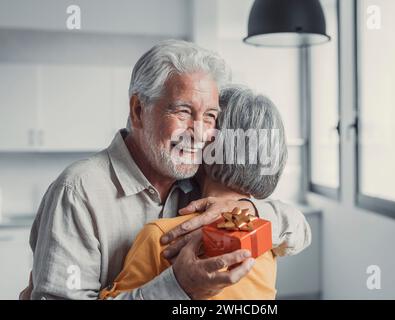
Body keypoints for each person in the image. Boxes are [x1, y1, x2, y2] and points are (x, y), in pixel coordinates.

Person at [22, 40, 311, 300]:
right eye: (183, 111)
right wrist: (176, 288)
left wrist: (248, 208)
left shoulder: (199, 183)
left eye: (210, 116)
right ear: (138, 110)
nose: (199, 132)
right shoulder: (78, 192)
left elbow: (298, 230)